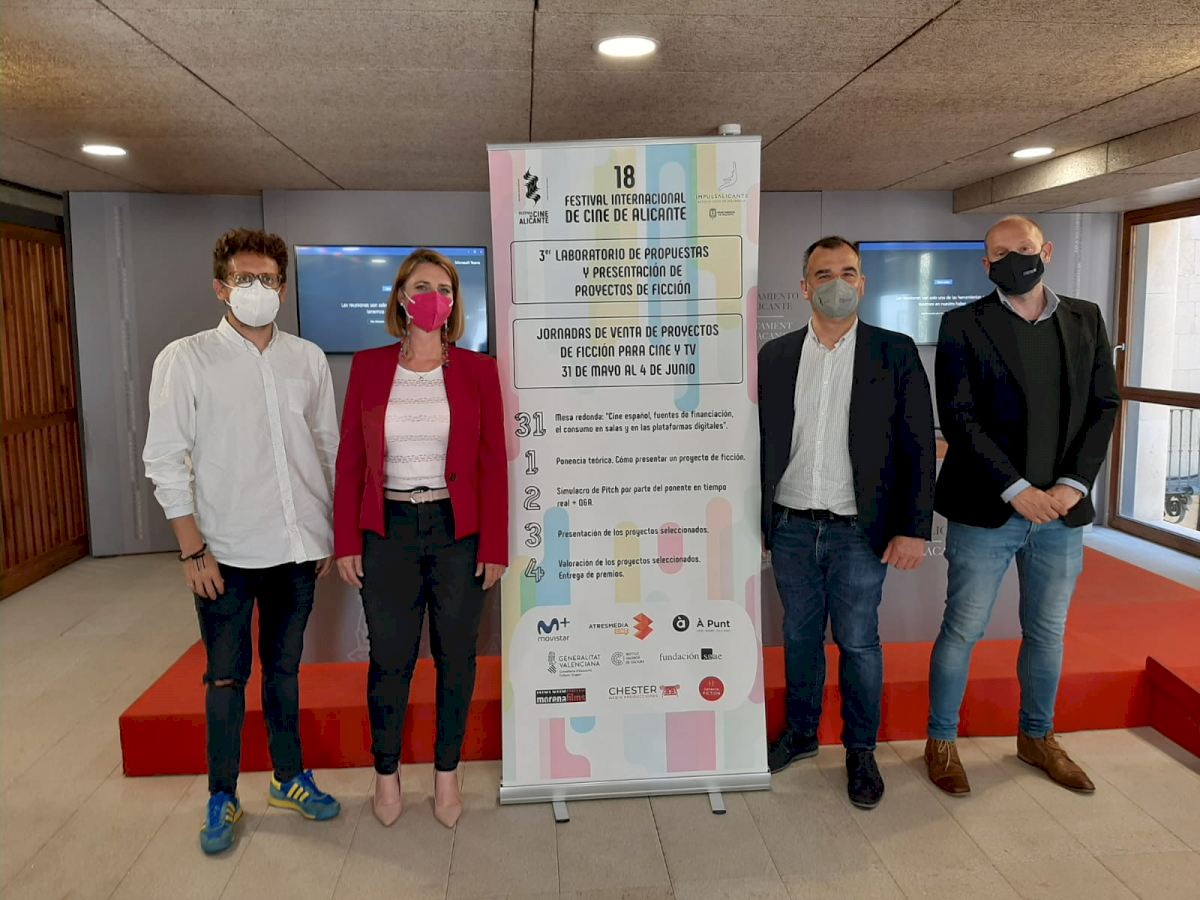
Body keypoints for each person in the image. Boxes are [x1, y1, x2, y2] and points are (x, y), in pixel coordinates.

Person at [143, 228, 341, 855]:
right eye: (245, 278)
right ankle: (222, 794)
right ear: (221, 287)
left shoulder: (307, 359)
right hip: (222, 555)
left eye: (269, 279)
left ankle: (288, 778)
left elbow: (327, 449)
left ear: (283, 287)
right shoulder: (186, 359)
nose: (258, 288)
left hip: (296, 549)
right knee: (226, 678)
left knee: (284, 670)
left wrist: (327, 530)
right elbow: (165, 458)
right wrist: (191, 549)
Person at [925, 215, 1119, 796]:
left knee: (1047, 632)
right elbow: (959, 417)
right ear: (985, 264)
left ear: (1047, 251)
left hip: (1061, 512)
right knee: (962, 629)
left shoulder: (1086, 318)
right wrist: (1017, 489)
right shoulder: (962, 323)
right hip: (987, 509)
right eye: (1001, 253)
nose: (1015, 259)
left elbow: (1103, 406)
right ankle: (941, 741)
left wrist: (1073, 485)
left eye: (1025, 248)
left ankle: (1037, 737)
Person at [760, 236, 936, 809]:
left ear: (863, 282)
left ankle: (861, 750)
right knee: (799, 637)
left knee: (859, 642)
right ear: (804, 287)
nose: (838, 283)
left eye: (849, 272)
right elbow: (761, 443)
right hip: (791, 524)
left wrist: (915, 527)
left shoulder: (895, 352)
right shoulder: (776, 356)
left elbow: (917, 445)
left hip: (860, 531)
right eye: (824, 274)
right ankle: (801, 733)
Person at [334, 248, 508, 828]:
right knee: (390, 658)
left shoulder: (478, 371)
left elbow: (492, 465)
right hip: (389, 531)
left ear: (454, 303)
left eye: (445, 288)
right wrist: (347, 539)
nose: (434, 298)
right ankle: (386, 775)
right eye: (423, 287)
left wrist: (494, 545)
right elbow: (350, 461)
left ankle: (446, 774)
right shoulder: (369, 367)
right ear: (401, 298)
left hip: (458, 533)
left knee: (456, 658)